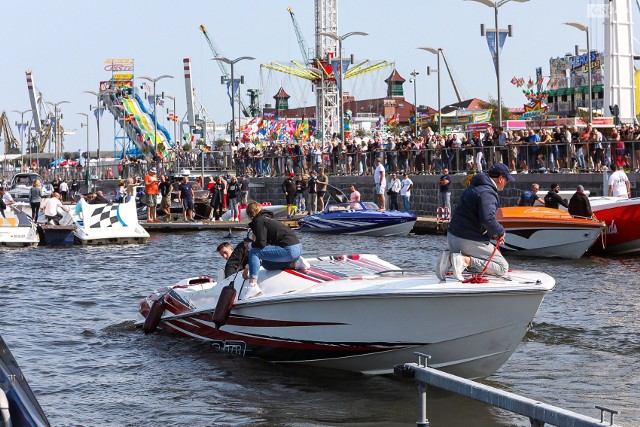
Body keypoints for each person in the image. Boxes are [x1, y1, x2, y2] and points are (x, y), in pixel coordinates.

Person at [436, 163, 514, 281]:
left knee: (482, 262)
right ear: (501, 179)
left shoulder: (474, 187)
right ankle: (463, 260)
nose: (506, 183)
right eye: (507, 180)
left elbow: (474, 218)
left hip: (453, 238)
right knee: (502, 267)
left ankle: (449, 258)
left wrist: (492, 233)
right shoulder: (488, 193)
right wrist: (500, 231)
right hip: (467, 240)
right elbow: (488, 219)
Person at [245, 201, 309, 294]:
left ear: (249, 214)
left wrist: (250, 245)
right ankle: (295, 264)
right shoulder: (266, 219)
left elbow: (261, 244)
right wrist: (248, 266)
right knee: (266, 263)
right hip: (297, 248)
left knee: (254, 252)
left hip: (289, 249)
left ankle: (252, 285)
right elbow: (264, 244)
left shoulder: (258, 220)